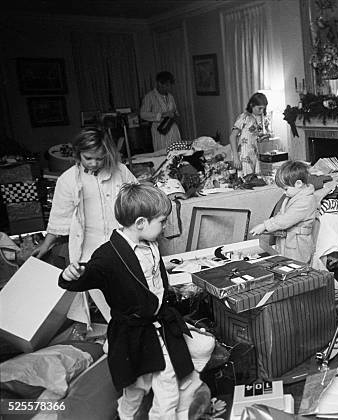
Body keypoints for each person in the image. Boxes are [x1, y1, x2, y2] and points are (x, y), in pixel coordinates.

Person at [58, 184, 212, 420]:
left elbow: (150, 275)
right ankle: (127, 416)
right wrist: (70, 274)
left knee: (168, 387)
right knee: (135, 388)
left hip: (159, 326)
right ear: (141, 223)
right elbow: (85, 277)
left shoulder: (150, 244)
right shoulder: (107, 255)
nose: (164, 228)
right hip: (132, 333)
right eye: (162, 222)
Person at [32, 128, 137, 327]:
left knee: (131, 294)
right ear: (78, 153)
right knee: (107, 301)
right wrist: (46, 244)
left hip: (124, 243)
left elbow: (137, 198)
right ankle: (120, 332)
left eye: (100, 158)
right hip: (90, 249)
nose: (94, 163)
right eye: (88, 158)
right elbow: (59, 216)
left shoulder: (120, 170)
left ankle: (133, 333)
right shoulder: (68, 180)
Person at [250, 160, 316, 263]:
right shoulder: (293, 196)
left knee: (297, 268)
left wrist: (265, 226)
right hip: (288, 241)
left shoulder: (306, 201)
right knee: (285, 264)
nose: (284, 192)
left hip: (298, 244)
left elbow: (285, 219)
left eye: (286, 188)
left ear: (298, 183)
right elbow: (281, 214)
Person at [229, 92, 272, 175]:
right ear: (252, 105)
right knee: (246, 182)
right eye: (260, 108)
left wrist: (262, 137)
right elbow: (232, 136)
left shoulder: (255, 119)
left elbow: (250, 136)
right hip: (244, 155)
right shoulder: (244, 117)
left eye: (263, 108)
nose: (262, 111)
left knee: (255, 182)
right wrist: (235, 157)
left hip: (253, 154)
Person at [140, 71, 182, 152]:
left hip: (172, 128)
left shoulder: (170, 96)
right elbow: (143, 114)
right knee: (163, 152)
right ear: (159, 83)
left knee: (176, 151)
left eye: (170, 85)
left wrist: (175, 114)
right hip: (160, 130)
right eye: (166, 85)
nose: (169, 88)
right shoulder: (150, 97)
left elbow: (175, 111)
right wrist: (162, 115)